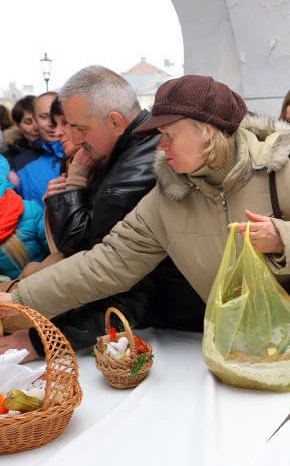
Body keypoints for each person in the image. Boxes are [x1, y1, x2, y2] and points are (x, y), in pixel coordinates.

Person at [0, 74, 290, 362]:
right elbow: (104, 263)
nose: (161, 146)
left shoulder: (285, 175)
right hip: (233, 355)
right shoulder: (165, 200)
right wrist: (20, 299)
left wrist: (282, 238)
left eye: (169, 135)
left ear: (207, 132)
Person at [0, 66, 205, 356]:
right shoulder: (126, 152)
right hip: (165, 319)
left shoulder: (127, 178)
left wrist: (41, 339)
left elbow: (102, 270)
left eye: (78, 128)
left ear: (115, 122)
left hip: (169, 329)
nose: (68, 136)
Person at [9, 92, 65, 207]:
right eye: (44, 117)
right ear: (36, 120)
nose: (51, 123)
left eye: (56, 116)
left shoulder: (88, 155)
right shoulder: (19, 164)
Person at [0, 157, 48, 279]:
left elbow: (54, 252)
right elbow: (55, 252)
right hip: (12, 293)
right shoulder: (29, 210)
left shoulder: (29, 211)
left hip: (15, 292)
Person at [2, 96, 38, 160]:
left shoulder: (60, 149)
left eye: (41, 119)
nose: (36, 127)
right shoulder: (8, 159)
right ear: (18, 127)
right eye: (28, 122)